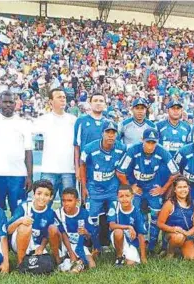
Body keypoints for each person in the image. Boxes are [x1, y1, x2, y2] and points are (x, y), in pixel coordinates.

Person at [117, 128, 179, 252]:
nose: (150, 146)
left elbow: (175, 172)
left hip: (152, 187)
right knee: (136, 212)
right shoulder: (133, 150)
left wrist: (163, 189)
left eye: (153, 143)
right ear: (142, 140)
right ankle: (139, 241)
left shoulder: (162, 151)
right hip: (137, 186)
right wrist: (130, 187)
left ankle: (153, 243)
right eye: (148, 142)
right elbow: (120, 172)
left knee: (156, 214)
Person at [79, 121, 126, 253]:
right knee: (91, 217)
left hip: (112, 189)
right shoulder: (89, 148)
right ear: (102, 133)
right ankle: (89, 244)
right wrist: (83, 186)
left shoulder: (122, 148)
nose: (111, 136)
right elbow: (82, 165)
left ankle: (112, 246)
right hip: (94, 189)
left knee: (112, 217)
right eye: (108, 132)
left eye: (113, 133)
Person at [0, 91, 33, 215]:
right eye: (5, 102)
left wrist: (29, 176)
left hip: (18, 175)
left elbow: (28, 151)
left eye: (11, 102)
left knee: (18, 212)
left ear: (15, 104)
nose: (8, 105)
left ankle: (15, 235)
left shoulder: (24, 123)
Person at [33, 88, 77, 202]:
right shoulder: (43, 120)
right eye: (59, 97)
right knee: (43, 204)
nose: (63, 99)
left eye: (64, 97)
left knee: (68, 206)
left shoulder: (74, 120)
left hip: (69, 169)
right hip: (49, 169)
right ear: (51, 102)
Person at [7, 180, 64, 266]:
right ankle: (21, 263)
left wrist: (41, 247)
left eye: (46, 195)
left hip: (36, 245)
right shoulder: (24, 207)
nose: (42, 197)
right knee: (25, 227)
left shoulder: (50, 213)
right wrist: (20, 220)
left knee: (53, 228)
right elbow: (8, 230)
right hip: (18, 243)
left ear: (51, 197)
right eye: (39, 193)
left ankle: (57, 259)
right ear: (34, 194)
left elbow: (47, 235)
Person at [157, 177, 194, 260]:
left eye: (185, 187)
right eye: (179, 187)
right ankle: (170, 253)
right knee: (179, 237)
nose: (182, 190)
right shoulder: (170, 203)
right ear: (175, 189)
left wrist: (188, 233)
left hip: (186, 234)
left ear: (188, 188)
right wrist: (173, 229)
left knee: (193, 257)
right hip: (172, 234)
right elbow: (159, 223)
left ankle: (179, 249)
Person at [74, 93, 108, 192]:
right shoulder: (81, 121)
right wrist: (77, 169)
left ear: (105, 104)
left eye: (101, 101)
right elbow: (76, 147)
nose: (98, 103)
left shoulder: (109, 123)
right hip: (86, 169)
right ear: (90, 103)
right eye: (95, 101)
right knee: (86, 200)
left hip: (105, 170)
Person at [56, 187, 95, 273]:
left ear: (77, 201)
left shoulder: (84, 213)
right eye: (64, 201)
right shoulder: (58, 213)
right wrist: (71, 252)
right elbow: (61, 234)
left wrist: (86, 232)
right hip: (63, 244)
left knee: (92, 265)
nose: (66, 204)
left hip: (79, 244)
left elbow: (91, 236)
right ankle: (64, 259)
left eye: (69, 201)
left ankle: (74, 263)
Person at [108, 185, 148, 266]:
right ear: (117, 197)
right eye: (121, 196)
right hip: (117, 236)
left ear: (132, 196)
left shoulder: (137, 211)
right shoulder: (114, 205)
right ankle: (119, 257)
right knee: (118, 231)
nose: (124, 199)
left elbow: (140, 235)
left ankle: (126, 255)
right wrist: (129, 227)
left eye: (127, 196)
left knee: (130, 264)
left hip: (131, 241)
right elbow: (111, 225)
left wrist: (143, 257)